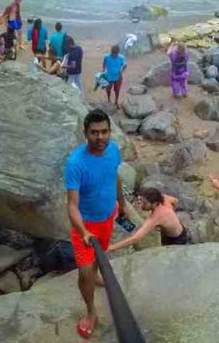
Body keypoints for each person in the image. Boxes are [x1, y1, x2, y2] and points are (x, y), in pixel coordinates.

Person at [65, 108, 127, 339]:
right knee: (84, 273)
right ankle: (91, 312)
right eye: (94, 133)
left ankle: (97, 275)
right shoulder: (75, 163)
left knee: (101, 258)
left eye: (104, 132)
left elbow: (115, 176)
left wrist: (122, 204)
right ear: (85, 133)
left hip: (108, 216)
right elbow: (71, 205)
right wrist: (82, 231)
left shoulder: (113, 150)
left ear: (110, 132)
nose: (100, 138)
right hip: (86, 226)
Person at [107, 188, 188, 251]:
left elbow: (136, 238)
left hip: (176, 240)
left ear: (155, 203)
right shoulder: (163, 198)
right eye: (142, 201)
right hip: (177, 230)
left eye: (145, 203)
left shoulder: (156, 217)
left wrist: (112, 248)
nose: (142, 205)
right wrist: (171, 214)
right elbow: (175, 200)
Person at [101, 44, 127, 108]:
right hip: (109, 76)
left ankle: (116, 101)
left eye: (115, 53)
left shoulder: (121, 58)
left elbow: (125, 65)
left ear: (118, 52)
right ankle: (109, 99)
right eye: (113, 53)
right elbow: (104, 64)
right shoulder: (106, 57)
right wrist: (103, 71)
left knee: (117, 90)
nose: (114, 55)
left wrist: (122, 71)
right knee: (108, 89)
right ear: (111, 51)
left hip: (118, 77)